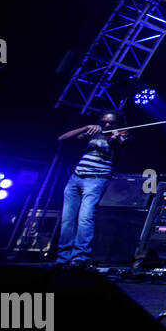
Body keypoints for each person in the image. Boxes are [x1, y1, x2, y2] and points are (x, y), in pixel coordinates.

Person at [56, 111, 129, 266]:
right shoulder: (94, 134)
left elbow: (119, 150)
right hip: (76, 177)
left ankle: (80, 257)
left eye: (111, 123)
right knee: (67, 219)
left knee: (85, 217)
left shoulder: (122, 136)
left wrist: (115, 140)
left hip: (96, 180)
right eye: (104, 123)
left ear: (118, 124)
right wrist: (85, 128)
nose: (107, 125)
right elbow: (62, 139)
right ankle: (63, 258)